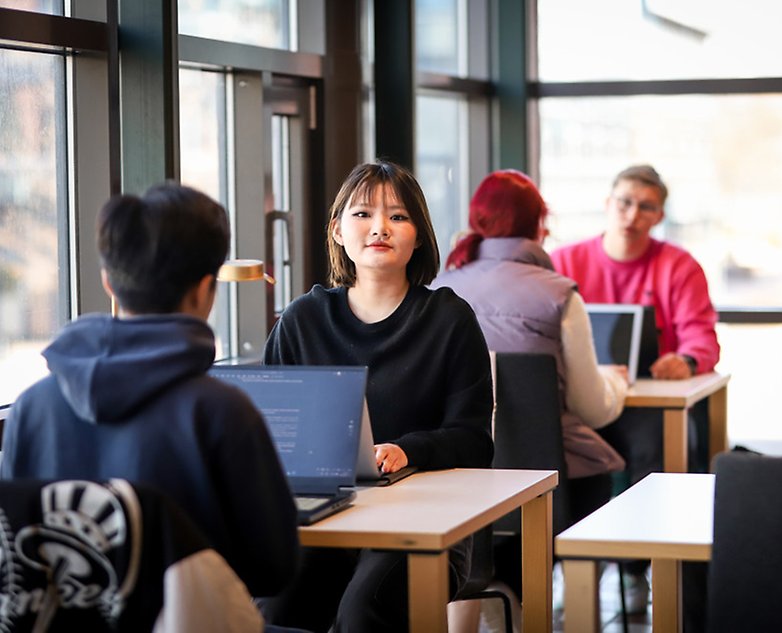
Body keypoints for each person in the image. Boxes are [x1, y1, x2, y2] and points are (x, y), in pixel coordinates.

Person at [0, 184, 300, 604]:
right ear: (204, 289)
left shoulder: (31, 408)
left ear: (109, 282)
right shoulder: (221, 411)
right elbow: (274, 568)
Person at [261, 160, 495, 633]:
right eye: (363, 214)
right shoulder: (302, 319)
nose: (380, 228)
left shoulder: (450, 320)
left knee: (364, 611)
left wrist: (408, 449)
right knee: (274, 607)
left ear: (419, 236)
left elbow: (474, 440)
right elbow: (272, 431)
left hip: (428, 522)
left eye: (399, 217)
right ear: (338, 230)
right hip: (325, 518)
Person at [550, 164, 719, 622]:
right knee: (557, 453)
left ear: (659, 215)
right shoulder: (565, 262)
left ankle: (640, 565)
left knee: (655, 450)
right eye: (624, 202)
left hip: (645, 401)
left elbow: (703, 339)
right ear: (608, 204)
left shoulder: (677, 265)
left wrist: (683, 361)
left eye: (646, 206)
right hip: (583, 401)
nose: (632, 214)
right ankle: (574, 564)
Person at [432, 169, 627, 523]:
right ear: (539, 224)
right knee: (603, 465)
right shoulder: (559, 295)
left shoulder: (436, 291)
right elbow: (593, 409)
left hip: (455, 482)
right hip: (547, 484)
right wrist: (616, 381)